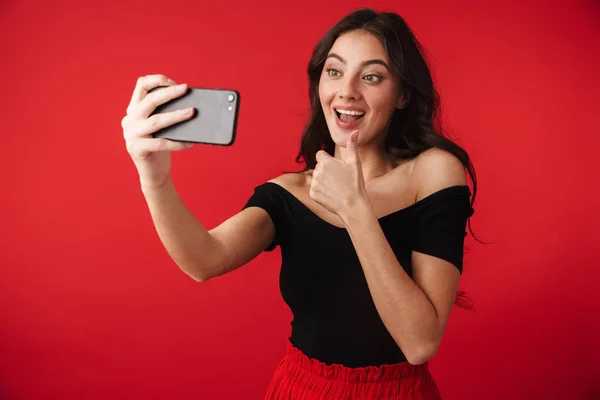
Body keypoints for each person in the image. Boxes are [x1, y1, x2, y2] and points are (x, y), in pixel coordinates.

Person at [122, 7, 478, 400]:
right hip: (302, 388)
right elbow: (203, 261)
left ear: (403, 95)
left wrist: (355, 210)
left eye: (372, 76)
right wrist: (154, 177)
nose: (347, 92)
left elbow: (419, 343)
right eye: (334, 71)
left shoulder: (435, 173)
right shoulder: (290, 193)